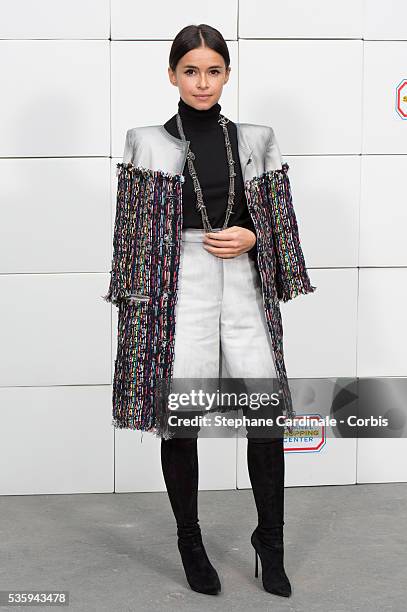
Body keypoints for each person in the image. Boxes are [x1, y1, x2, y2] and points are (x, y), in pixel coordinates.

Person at [104, 23, 316, 599]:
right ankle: (190, 542)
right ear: (172, 75)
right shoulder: (146, 141)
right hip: (182, 281)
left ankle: (269, 544)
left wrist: (254, 238)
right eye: (191, 71)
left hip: (243, 274)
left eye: (214, 71)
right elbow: (134, 239)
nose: (203, 82)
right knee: (183, 415)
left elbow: (280, 226)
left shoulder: (256, 139)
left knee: (266, 412)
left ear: (227, 74)